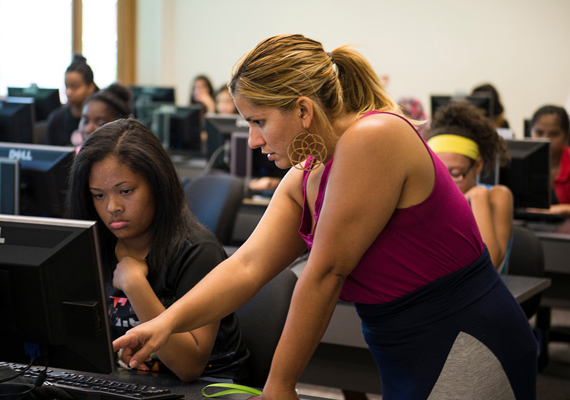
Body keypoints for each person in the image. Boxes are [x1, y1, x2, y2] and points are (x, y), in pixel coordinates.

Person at [112, 34, 537, 400]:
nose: (254, 140)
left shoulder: (375, 137)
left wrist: (280, 383)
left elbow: (326, 272)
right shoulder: (308, 173)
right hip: (406, 349)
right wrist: (165, 324)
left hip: (465, 340)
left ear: (302, 110)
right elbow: (246, 266)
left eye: (259, 121)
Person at [66, 118, 249, 382]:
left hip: (206, 387)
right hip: (125, 380)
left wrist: (135, 285)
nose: (112, 207)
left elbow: (189, 367)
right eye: (98, 195)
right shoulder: (94, 244)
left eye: (126, 191)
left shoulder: (198, 252)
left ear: (157, 185)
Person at [426, 102, 514, 271]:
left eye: (456, 173)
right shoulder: (430, 199)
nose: (448, 184)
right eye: (440, 174)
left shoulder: (497, 196)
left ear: (477, 165)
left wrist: (478, 197)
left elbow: (491, 264)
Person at [46, 54, 98, 146]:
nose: (68, 93)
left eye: (75, 87)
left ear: (90, 87)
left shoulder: (98, 122)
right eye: (66, 86)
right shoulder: (56, 119)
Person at [529, 104, 570, 216]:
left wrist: (562, 209)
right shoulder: (521, 161)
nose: (546, 139)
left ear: (566, 136)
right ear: (530, 132)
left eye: (554, 134)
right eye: (539, 133)